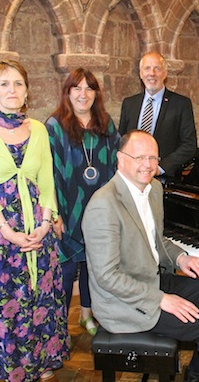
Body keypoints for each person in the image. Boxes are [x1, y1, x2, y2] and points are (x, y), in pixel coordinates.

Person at [82, 130, 199, 382]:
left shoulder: (154, 189)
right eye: (140, 157)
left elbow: (157, 241)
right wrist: (160, 299)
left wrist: (181, 259)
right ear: (120, 159)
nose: (148, 165)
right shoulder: (103, 205)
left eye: (153, 158)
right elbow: (106, 277)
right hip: (123, 303)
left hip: (152, 278)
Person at [0, 60, 68, 382]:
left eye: (18, 84)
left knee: (41, 295)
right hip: (0, 236)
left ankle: (42, 361)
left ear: (27, 91)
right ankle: (13, 368)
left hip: (38, 231)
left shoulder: (38, 129)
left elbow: (47, 182)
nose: (12, 90)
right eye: (5, 84)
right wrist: (8, 231)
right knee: (7, 300)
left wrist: (45, 223)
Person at [46, 68, 120, 336]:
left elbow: (117, 164)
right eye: (76, 88)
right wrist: (54, 214)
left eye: (89, 88)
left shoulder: (106, 124)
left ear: (96, 94)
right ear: (68, 93)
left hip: (99, 210)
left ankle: (87, 314)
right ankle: (59, 329)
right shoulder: (54, 126)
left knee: (93, 266)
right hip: (67, 209)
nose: (83, 94)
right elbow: (48, 174)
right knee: (65, 272)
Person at [118, 51, 197, 177]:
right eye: (147, 68)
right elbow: (121, 141)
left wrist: (160, 168)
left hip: (163, 179)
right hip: (131, 176)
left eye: (157, 69)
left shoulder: (181, 104)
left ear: (165, 74)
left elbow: (189, 145)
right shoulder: (129, 104)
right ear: (141, 74)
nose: (152, 74)